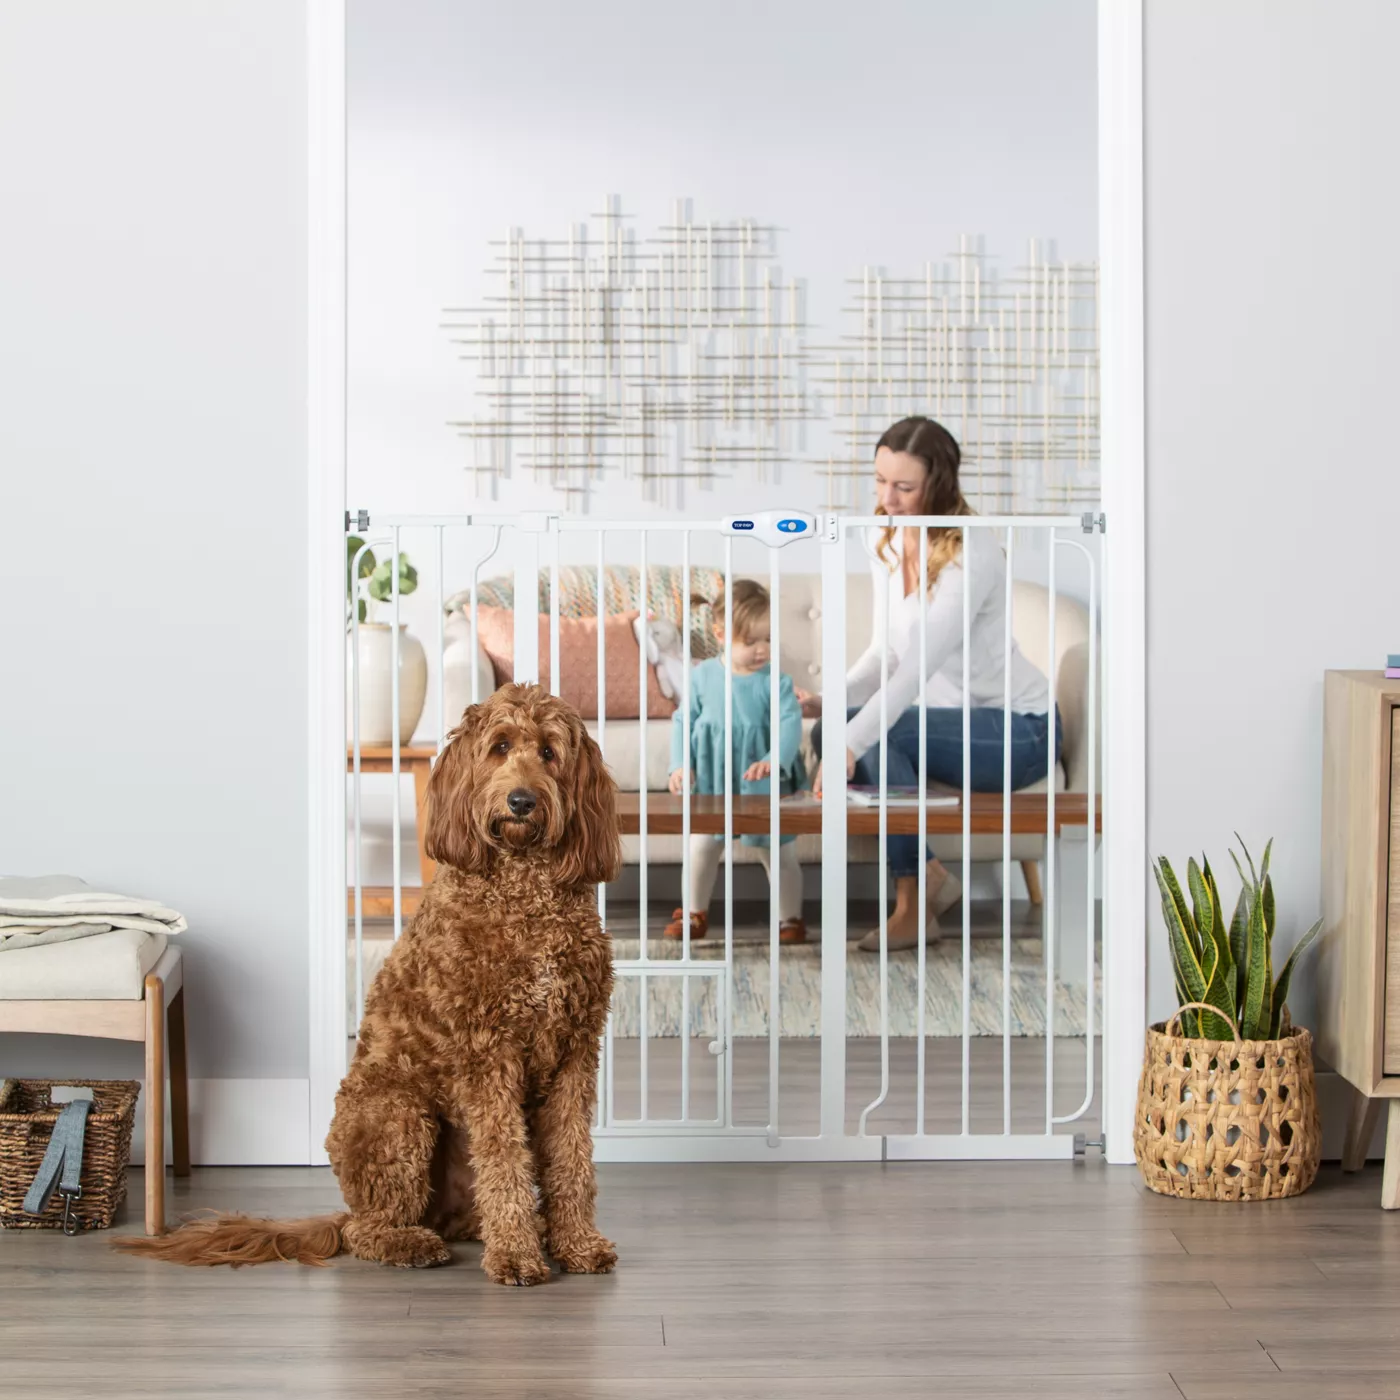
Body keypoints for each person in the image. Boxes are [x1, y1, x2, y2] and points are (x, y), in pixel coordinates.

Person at [811, 416, 1061, 951]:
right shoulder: (883, 535)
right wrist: (830, 707)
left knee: (875, 735)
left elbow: (916, 668)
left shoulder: (972, 552)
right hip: (954, 723)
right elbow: (886, 653)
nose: (887, 498)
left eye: (904, 487)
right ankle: (930, 874)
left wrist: (852, 741)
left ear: (939, 485)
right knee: (826, 733)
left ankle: (914, 900)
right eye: (880, 481)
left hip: (1019, 728)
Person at [665, 579, 808, 945]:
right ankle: (694, 913)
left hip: (761, 781)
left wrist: (775, 759)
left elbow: (790, 722)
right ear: (720, 634)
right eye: (751, 641)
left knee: (778, 851)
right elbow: (683, 721)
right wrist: (681, 764)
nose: (762, 650)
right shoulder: (702, 677)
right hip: (713, 779)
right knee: (702, 847)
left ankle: (789, 917)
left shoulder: (776, 681)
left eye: (768, 639)